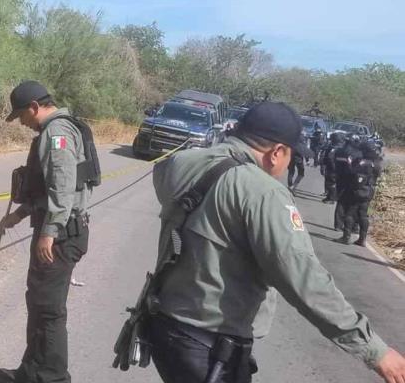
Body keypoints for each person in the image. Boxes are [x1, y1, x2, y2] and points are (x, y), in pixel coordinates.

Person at [141, 102, 405, 383]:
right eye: (291, 155)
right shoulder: (264, 192)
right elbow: (303, 279)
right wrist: (374, 350)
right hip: (207, 343)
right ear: (277, 152)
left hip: (164, 324)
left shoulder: (182, 163)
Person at [0, 81, 93, 383]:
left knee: (48, 311)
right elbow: (45, 189)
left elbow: (62, 188)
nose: (22, 123)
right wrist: (19, 215)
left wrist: (49, 232)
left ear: (35, 107)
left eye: (22, 116)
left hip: (61, 236)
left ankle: (51, 377)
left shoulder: (57, 133)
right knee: (39, 304)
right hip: (59, 230)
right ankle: (30, 373)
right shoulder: (54, 131)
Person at [337, 138, 382, 246]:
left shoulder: (361, 162)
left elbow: (352, 172)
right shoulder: (376, 163)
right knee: (363, 214)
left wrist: (349, 163)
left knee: (350, 213)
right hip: (369, 191)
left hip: (357, 191)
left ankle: (346, 237)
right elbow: (378, 175)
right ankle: (362, 239)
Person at [321, 132, 344, 205]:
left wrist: (334, 167)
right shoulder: (332, 146)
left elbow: (330, 158)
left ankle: (332, 198)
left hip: (334, 168)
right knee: (329, 182)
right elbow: (326, 157)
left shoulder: (337, 148)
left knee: (332, 183)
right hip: (330, 167)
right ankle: (329, 197)